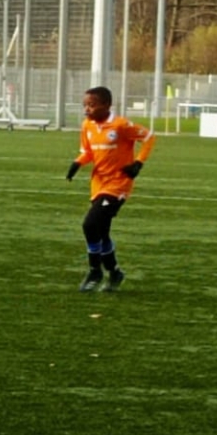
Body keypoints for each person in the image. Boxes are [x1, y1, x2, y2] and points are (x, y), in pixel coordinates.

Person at [67, 84, 155, 292]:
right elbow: (88, 152)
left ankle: (94, 271)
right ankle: (114, 272)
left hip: (118, 184)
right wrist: (77, 163)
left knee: (90, 224)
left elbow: (149, 137)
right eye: (85, 105)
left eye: (91, 105)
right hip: (98, 183)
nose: (87, 109)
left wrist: (138, 163)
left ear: (106, 105)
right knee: (101, 231)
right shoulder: (87, 126)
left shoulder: (120, 125)